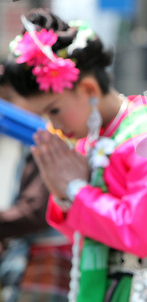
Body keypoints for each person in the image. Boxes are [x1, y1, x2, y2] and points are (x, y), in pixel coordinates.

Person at [3, 9, 147, 301]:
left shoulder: (145, 136)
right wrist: (62, 193)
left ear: (89, 88)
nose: (51, 124)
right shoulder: (92, 140)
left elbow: (140, 235)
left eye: (53, 110)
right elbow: (87, 236)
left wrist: (75, 189)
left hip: (142, 291)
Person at [0, 65, 72, 302]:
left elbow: (34, 211)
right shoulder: (33, 139)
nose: (8, 108)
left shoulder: (46, 139)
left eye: (11, 98)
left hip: (45, 257)